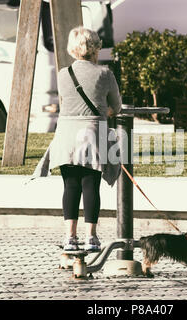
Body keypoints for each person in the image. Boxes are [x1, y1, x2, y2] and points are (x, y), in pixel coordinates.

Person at [32, 26, 122, 252]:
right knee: (91, 185)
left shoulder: (63, 74)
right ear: (94, 47)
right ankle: (91, 237)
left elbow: (68, 103)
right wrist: (107, 112)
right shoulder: (105, 74)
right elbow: (117, 106)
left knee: (70, 186)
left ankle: (69, 238)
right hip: (92, 134)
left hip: (66, 135)